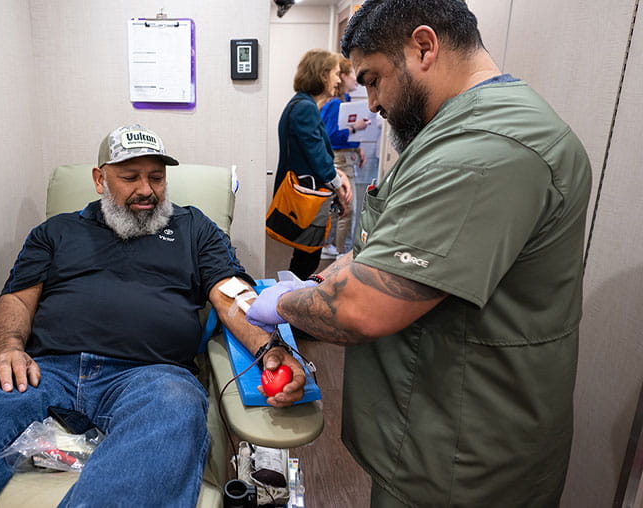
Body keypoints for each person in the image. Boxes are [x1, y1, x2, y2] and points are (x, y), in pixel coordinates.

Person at [0, 124, 307, 508]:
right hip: (45, 371)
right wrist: (8, 349)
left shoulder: (193, 227)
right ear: (100, 179)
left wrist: (268, 347)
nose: (147, 190)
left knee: (173, 408)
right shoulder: (56, 232)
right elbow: (16, 300)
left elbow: (231, 295)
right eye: (130, 177)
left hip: (152, 376)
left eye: (156, 177)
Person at [247, 1, 593, 506]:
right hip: (432, 430)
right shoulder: (452, 134)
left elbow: (363, 308)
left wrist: (282, 302)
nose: (371, 103)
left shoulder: (486, 148)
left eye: (373, 80)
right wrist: (334, 274)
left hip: (463, 461)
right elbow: (394, 248)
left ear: (424, 48)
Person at [274, 48, 353, 280]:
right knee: (306, 261)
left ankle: (290, 295)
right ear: (322, 74)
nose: (338, 80)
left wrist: (336, 173)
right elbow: (317, 156)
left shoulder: (303, 104)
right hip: (309, 195)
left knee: (304, 259)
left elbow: (312, 151)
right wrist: (339, 187)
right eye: (335, 73)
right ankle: (290, 297)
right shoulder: (305, 108)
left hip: (309, 192)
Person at [319, 55, 370, 259]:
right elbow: (330, 136)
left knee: (339, 207)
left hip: (345, 157)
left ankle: (332, 246)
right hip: (340, 159)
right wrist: (354, 128)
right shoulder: (334, 104)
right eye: (352, 74)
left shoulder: (344, 101)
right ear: (342, 77)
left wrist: (357, 148)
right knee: (348, 208)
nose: (356, 79)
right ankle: (343, 253)